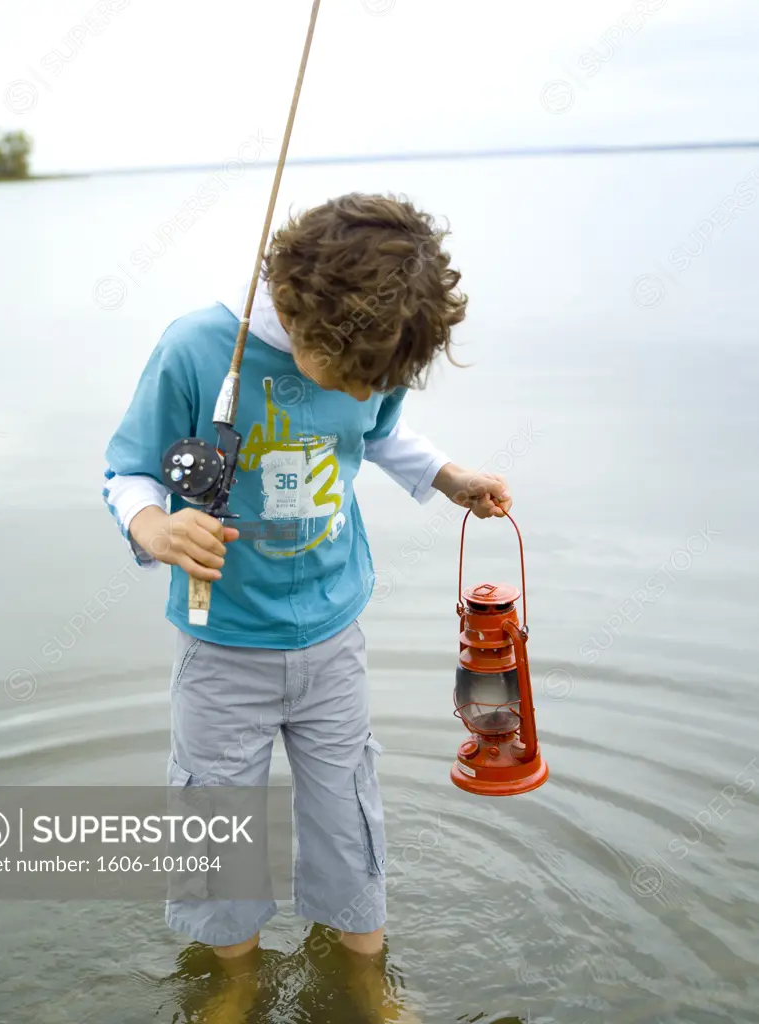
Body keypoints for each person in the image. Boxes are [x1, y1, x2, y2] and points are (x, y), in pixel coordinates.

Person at [103, 192, 512, 1022]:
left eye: (381, 377)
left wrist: (450, 477)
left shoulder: (371, 356)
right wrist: (155, 527)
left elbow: (382, 430)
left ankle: (365, 981)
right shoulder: (196, 349)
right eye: (357, 372)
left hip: (334, 635)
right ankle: (232, 981)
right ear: (299, 310)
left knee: (349, 814)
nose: (366, 387)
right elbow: (128, 471)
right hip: (223, 647)